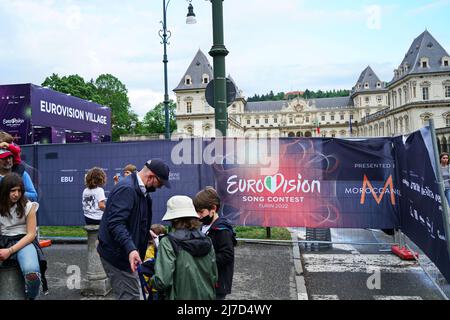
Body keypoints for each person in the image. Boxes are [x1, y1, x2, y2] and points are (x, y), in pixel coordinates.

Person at [97, 159, 171, 300]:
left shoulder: (141, 191)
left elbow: (133, 219)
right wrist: (131, 249)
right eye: (160, 183)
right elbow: (116, 223)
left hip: (125, 255)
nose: (160, 187)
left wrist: (146, 232)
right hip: (119, 257)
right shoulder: (127, 189)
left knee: (133, 295)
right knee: (131, 297)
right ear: (151, 176)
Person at [150, 195, 218, 300]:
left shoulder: (168, 242)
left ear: (173, 219)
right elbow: (214, 276)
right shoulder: (207, 240)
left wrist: (151, 279)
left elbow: (162, 281)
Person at [0, 173, 43, 300]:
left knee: (32, 274)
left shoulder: (29, 206)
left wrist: (10, 251)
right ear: (4, 190)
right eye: (13, 190)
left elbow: (31, 234)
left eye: (19, 190)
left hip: (24, 240)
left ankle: (31, 296)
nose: (16, 194)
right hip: (3, 239)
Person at [193, 186, 237, 300]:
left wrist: (204, 261)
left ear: (213, 208)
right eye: (196, 212)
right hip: (204, 281)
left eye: (201, 212)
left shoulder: (222, 230)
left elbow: (227, 255)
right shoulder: (203, 227)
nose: (198, 216)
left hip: (217, 284)